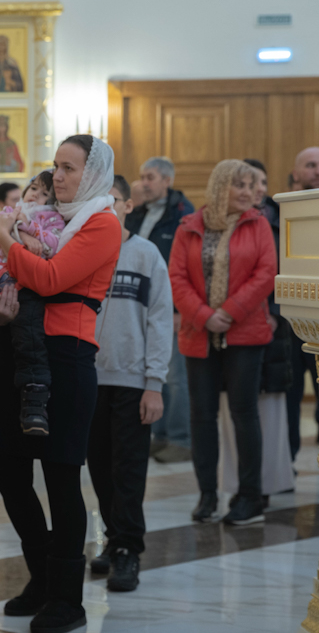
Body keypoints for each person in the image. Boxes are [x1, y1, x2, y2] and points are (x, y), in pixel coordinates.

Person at [0, 135, 121, 633]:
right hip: (18, 348)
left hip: (66, 356)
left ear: (93, 174)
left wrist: (5, 239)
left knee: (61, 479)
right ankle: (41, 577)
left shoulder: (102, 223)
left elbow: (49, 278)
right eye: (55, 166)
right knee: (7, 470)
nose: (57, 176)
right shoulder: (47, 218)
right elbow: (8, 278)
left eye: (69, 168)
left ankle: (67, 599)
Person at [169, 159, 277, 526]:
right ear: (219, 187)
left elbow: (266, 273)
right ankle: (207, 495)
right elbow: (177, 277)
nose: (249, 192)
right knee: (202, 416)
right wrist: (203, 315)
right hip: (198, 333)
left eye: (251, 185)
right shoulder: (189, 226)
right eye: (239, 185)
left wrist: (228, 312)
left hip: (244, 333)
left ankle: (249, 497)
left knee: (244, 414)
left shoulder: (258, 224)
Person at [87, 175, 171, 592]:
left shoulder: (145, 253)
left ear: (127, 206)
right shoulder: (83, 249)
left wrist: (154, 383)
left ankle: (128, 550)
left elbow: (159, 320)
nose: (105, 208)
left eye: (112, 201)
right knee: (100, 467)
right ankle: (113, 535)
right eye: (98, 202)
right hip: (90, 378)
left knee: (129, 468)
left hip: (133, 381)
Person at [0, 171, 64, 439]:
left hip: (22, 285)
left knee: (29, 342)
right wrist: (21, 233)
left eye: (44, 193)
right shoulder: (10, 212)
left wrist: (26, 230)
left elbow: (51, 245)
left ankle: (34, 406)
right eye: (33, 188)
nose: (35, 195)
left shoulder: (54, 220)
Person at [217, 160, 294, 505]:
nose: (256, 190)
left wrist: (275, 313)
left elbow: (287, 272)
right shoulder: (220, 222)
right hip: (230, 327)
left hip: (272, 327)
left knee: (270, 411)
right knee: (235, 409)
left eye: (260, 182)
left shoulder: (280, 221)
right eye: (247, 184)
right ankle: (241, 484)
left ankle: (269, 482)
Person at [125, 156, 195, 464]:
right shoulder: (138, 213)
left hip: (173, 308)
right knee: (155, 373)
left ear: (167, 180)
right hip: (141, 305)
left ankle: (181, 439)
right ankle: (162, 435)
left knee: (176, 377)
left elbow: (186, 267)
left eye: (150, 177)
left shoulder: (183, 214)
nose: (144, 183)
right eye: (142, 177)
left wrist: (180, 310)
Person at [285, 146, 319, 457]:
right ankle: (285, 462)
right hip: (287, 320)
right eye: (311, 165)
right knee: (289, 395)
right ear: (296, 173)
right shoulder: (280, 211)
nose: (318, 171)